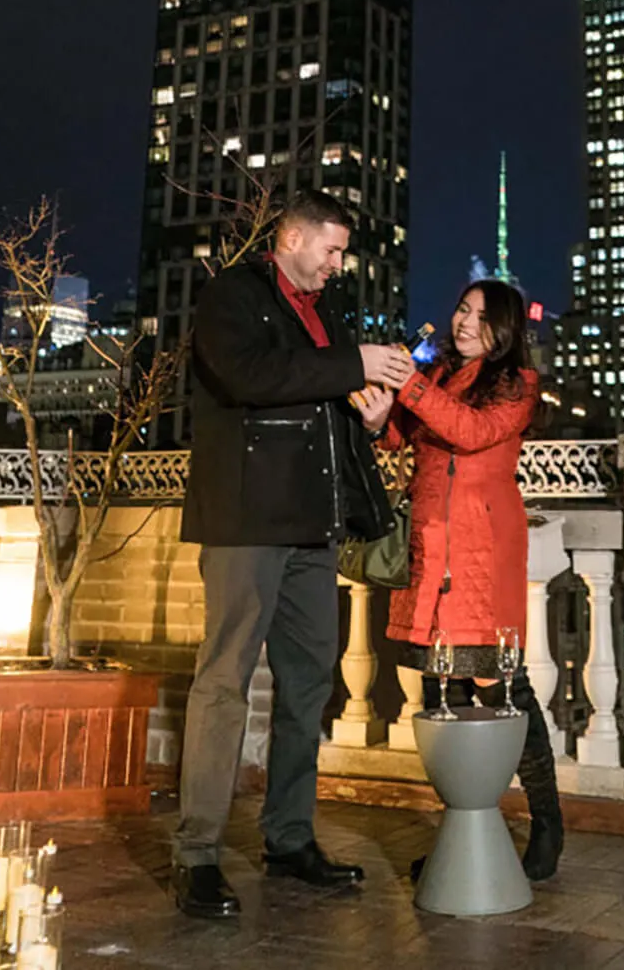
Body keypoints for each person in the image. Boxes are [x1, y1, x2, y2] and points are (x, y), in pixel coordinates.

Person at [171, 189, 412, 919]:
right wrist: (351, 362)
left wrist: (369, 419)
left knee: (309, 687)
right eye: (331, 250)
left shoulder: (327, 313)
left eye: (342, 254)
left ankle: (288, 838)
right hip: (246, 523)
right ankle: (198, 856)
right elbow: (248, 377)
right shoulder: (231, 297)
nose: (338, 266)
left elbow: (324, 405)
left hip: (314, 529)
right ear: (294, 238)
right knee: (223, 684)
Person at [363, 279, 565, 883]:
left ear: (505, 329)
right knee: (438, 697)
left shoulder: (518, 385)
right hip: (431, 552)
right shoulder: (442, 376)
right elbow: (401, 432)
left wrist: (411, 386)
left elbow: (469, 433)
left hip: (482, 553)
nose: (465, 322)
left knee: (504, 691)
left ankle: (546, 822)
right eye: (461, 309)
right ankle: (465, 828)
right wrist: (378, 417)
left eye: (480, 316)